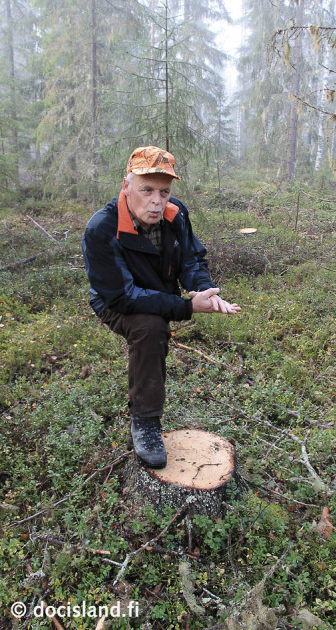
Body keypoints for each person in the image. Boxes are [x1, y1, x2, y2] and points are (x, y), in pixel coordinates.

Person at [82, 146, 241, 469]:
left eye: (164, 191)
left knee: (156, 315)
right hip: (113, 297)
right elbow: (123, 297)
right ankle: (146, 422)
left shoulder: (175, 214)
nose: (157, 201)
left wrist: (202, 290)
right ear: (127, 187)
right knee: (150, 327)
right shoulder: (101, 229)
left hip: (155, 288)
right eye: (147, 190)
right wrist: (187, 307)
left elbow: (192, 258)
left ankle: (146, 417)